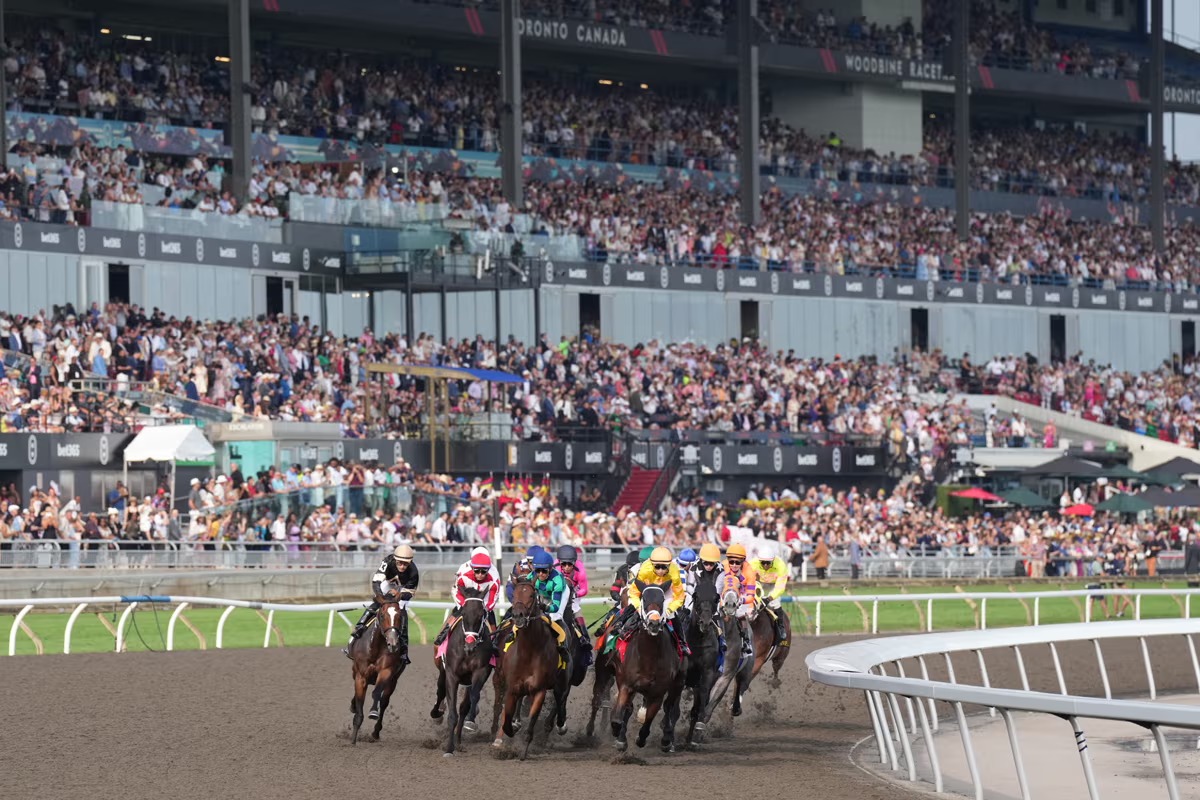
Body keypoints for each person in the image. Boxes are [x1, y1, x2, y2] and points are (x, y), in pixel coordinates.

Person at [345, 544, 419, 663]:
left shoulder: (414, 572)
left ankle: (404, 649)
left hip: (402, 590)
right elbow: (376, 582)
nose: (402, 566)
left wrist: (400, 595)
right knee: (375, 605)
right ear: (395, 559)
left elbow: (410, 593)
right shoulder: (388, 561)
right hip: (386, 585)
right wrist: (380, 597)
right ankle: (359, 628)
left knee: (402, 612)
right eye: (400, 562)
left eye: (406, 563)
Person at [622, 546, 691, 657]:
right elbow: (634, 593)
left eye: (664, 568)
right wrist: (639, 608)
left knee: (673, 615)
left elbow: (679, 597)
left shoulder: (674, 571)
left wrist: (669, 610)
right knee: (635, 610)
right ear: (652, 564)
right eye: (657, 567)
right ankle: (623, 631)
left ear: (669, 565)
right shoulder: (645, 569)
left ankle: (682, 642)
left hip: (666, 590)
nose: (660, 571)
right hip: (648, 590)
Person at [434, 547, 500, 646]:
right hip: (466, 601)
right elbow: (456, 591)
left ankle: (495, 643)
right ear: (472, 567)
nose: (480, 575)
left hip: (484, 603)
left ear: (488, 569)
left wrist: (483, 608)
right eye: (477, 571)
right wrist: (465, 605)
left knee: (493, 628)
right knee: (454, 617)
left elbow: (493, 598)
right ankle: (443, 636)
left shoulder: (494, 576)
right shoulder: (463, 572)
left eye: (483, 571)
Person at [527, 548, 573, 664]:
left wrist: (546, 608)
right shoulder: (530, 577)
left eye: (544, 571)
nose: (540, 574)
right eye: (538, 571)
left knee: (554, 617)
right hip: (543, 594)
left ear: (551, 569)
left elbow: (555, 606)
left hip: (559, 594)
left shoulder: (557, 580)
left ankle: (563, 647)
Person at [555, 544, 592, 662]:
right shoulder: (554, 567)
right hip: (557, 595)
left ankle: (587, 648)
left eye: (569, 564)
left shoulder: (580, 570)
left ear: (575, 562)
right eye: (563, 564)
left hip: (573, 598)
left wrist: (574, 595)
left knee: (579, 618)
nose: (566, 567)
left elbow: (584, 589)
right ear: (559, 562)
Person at [723, 542, 757, 659]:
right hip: (724, 595)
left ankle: (746, 641)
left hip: (742, 598)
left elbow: (751, 596)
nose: (734, 565)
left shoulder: (749, 573)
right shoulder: (722, 566)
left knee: (741, 614)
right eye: (731, 561)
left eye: (737, 562)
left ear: (743, 561)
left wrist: (740, 600)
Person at [753, 541, 790, 642]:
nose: (765, 565)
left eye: (768, 563)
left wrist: (769, 598)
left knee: (775, 602)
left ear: (773, 561)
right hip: (759, 584)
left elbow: (780, 587)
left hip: (773, 586)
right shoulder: (753, 563)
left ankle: (781, 626)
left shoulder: (781, 566)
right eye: (763, 562)